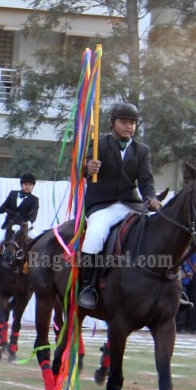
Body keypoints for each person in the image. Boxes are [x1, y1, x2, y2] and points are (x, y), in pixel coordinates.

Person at [78, 102, 162, 309]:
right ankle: (87, 286)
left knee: (158, 234)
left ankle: (165, 288)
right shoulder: (98, 143)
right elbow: (83, 168)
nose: (129, 126)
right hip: (103, 205)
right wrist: (89, 167)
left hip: (131, 205)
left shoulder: (142, 150)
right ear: (112, 123)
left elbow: (146, 180)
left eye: (132, 123)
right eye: (124, 122)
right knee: (95, 235)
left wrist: (151, 197)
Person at [0, 173, 39, 283]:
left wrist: (27, 224)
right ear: (21, 184)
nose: (28, 186)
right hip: (9, 227)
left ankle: (40, 274)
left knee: (40, 244)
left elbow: (33, 215)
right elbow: (2, 208)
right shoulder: (13, 194)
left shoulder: (34, 199)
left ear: (32, 186)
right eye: (25, 184)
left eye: (30, 184)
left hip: (25, 227)